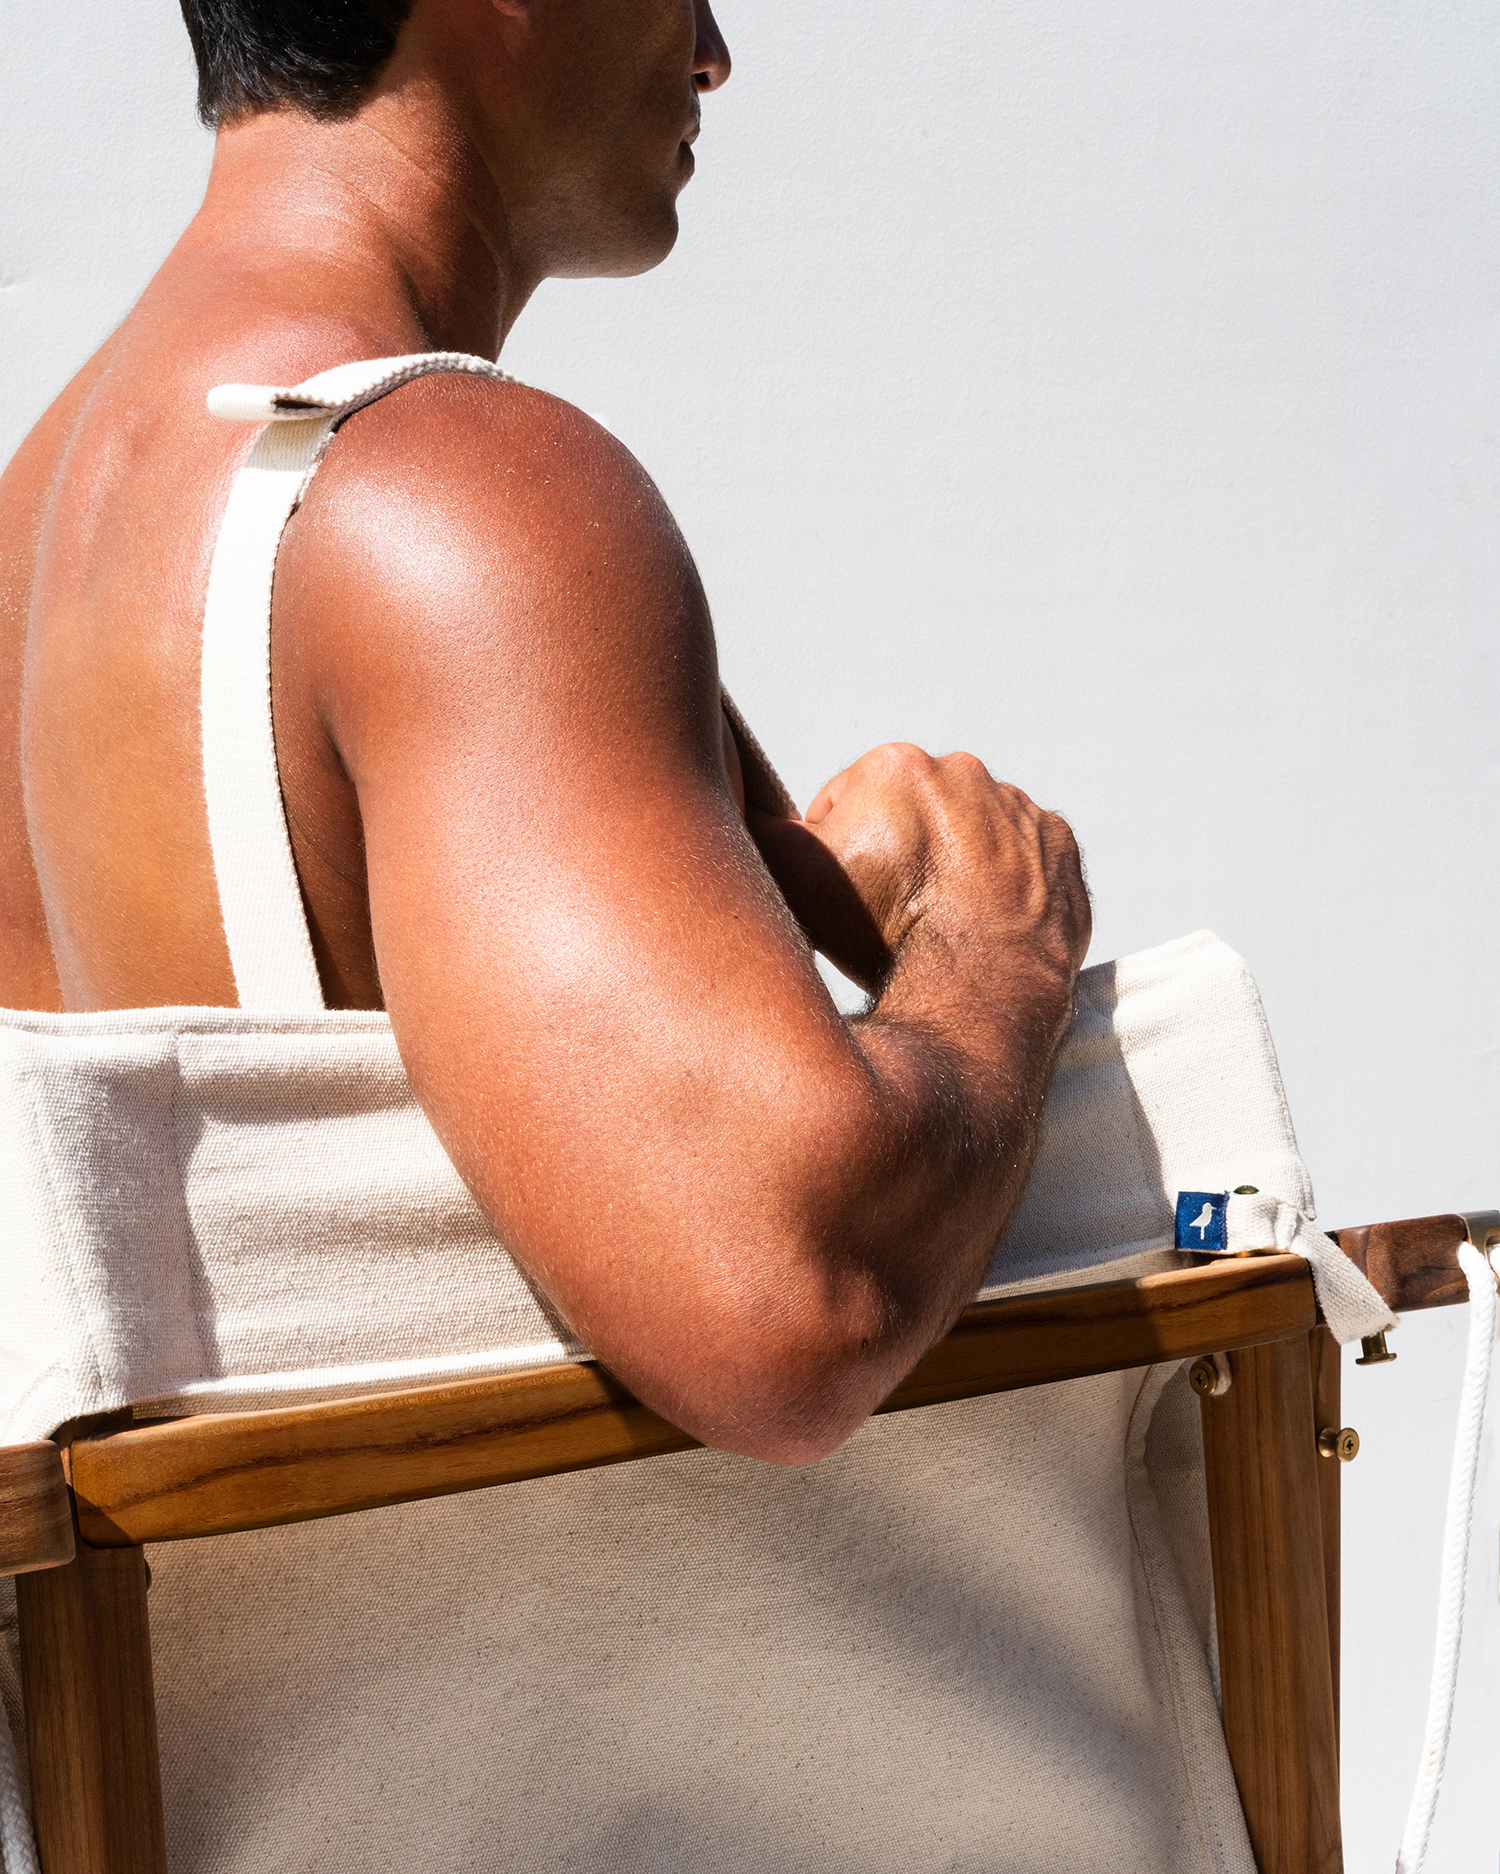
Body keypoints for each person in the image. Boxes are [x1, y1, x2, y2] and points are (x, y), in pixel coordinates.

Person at [0, 0, 1088, 1465]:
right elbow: (792, 1295)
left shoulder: (47, 514)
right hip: (514, 1676)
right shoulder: (448, 494)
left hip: (211, 1678)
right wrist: (999, 947)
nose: (712, 47)